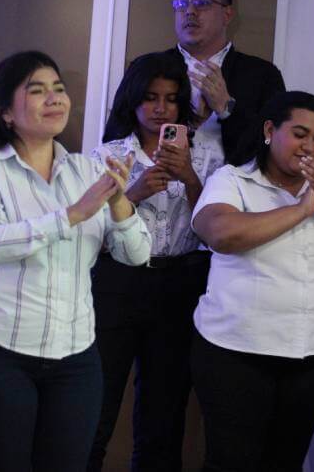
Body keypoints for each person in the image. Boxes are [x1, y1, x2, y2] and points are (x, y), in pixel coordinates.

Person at [0, 50, 151, 472]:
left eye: (59, 89)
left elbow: (136, 255)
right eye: (37, 90)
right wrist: (73, 214)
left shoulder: (87, 170)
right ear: (6, 112)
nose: (54, 98)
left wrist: (118, 202)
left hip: (75, 355)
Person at [190, 91, 314, 472]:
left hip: (312, 359)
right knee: (230, 464)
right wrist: (300, 211)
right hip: (235, 355)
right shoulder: (233, 180)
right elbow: (220, 234)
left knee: (285, 463)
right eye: (299, 134)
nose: (310, 147)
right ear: (269, 131)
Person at [87, 51, 207, 471]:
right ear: (133, 100)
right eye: (151, 98)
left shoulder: (204, 156)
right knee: (96, 402)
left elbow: (215, 228)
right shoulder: (106, 155)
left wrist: (189, 176)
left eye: (171, 99)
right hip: (116, 280)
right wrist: (133, 193)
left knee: (164, 413)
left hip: (179, 283)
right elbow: (85, 230)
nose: (160, 109)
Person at [166, 0, 286, 163]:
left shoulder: (263, 75)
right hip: (162, 181)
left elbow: (274, 149)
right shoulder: (148, 70)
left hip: (233, 182)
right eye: (181, 3)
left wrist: (226, 108)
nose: (190, 11)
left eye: (202, 3)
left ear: (227, 15)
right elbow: (119, 136)